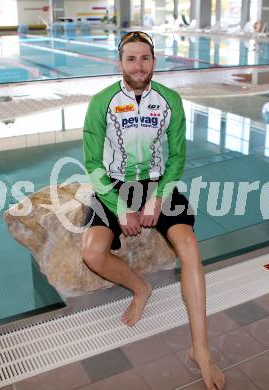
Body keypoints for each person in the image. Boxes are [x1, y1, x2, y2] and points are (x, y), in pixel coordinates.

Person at [82, 31, 225, 390]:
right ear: (120, 63)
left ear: (154, 62)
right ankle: (140, 287)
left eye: (145, 58)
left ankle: (201, 349)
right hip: (112, 184)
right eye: (131, 58)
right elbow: (91, 162)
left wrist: (157, 197)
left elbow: (177, 156)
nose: (138, 65)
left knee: (189, 244)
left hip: (157, 182)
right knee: (92, 252)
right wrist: (119, 207)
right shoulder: (102, 102)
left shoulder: (170, 100)